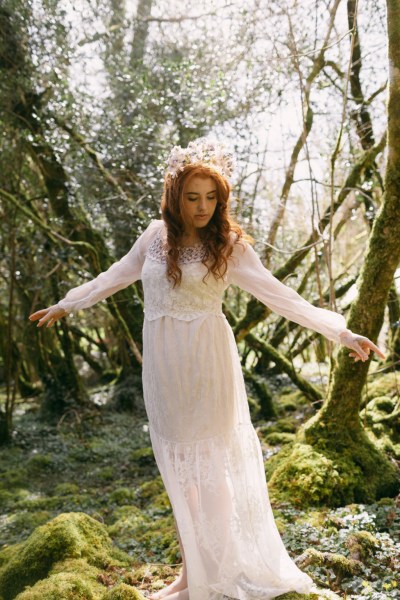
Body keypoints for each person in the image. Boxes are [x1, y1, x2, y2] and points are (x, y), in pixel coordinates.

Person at [29, 137, 385, 600]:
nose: (202, 207)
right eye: (193, 197)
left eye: (211, 197)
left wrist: (341, 332)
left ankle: (215, 576)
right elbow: (112, 276)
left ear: (221, 199)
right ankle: (190, 573)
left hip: (209, 363)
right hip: (164, 366)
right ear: (175, 197)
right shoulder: (153, 239)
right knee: (179, 472)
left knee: (209, 470)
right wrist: (67, 303)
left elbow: (280, 296)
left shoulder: (229, 246)